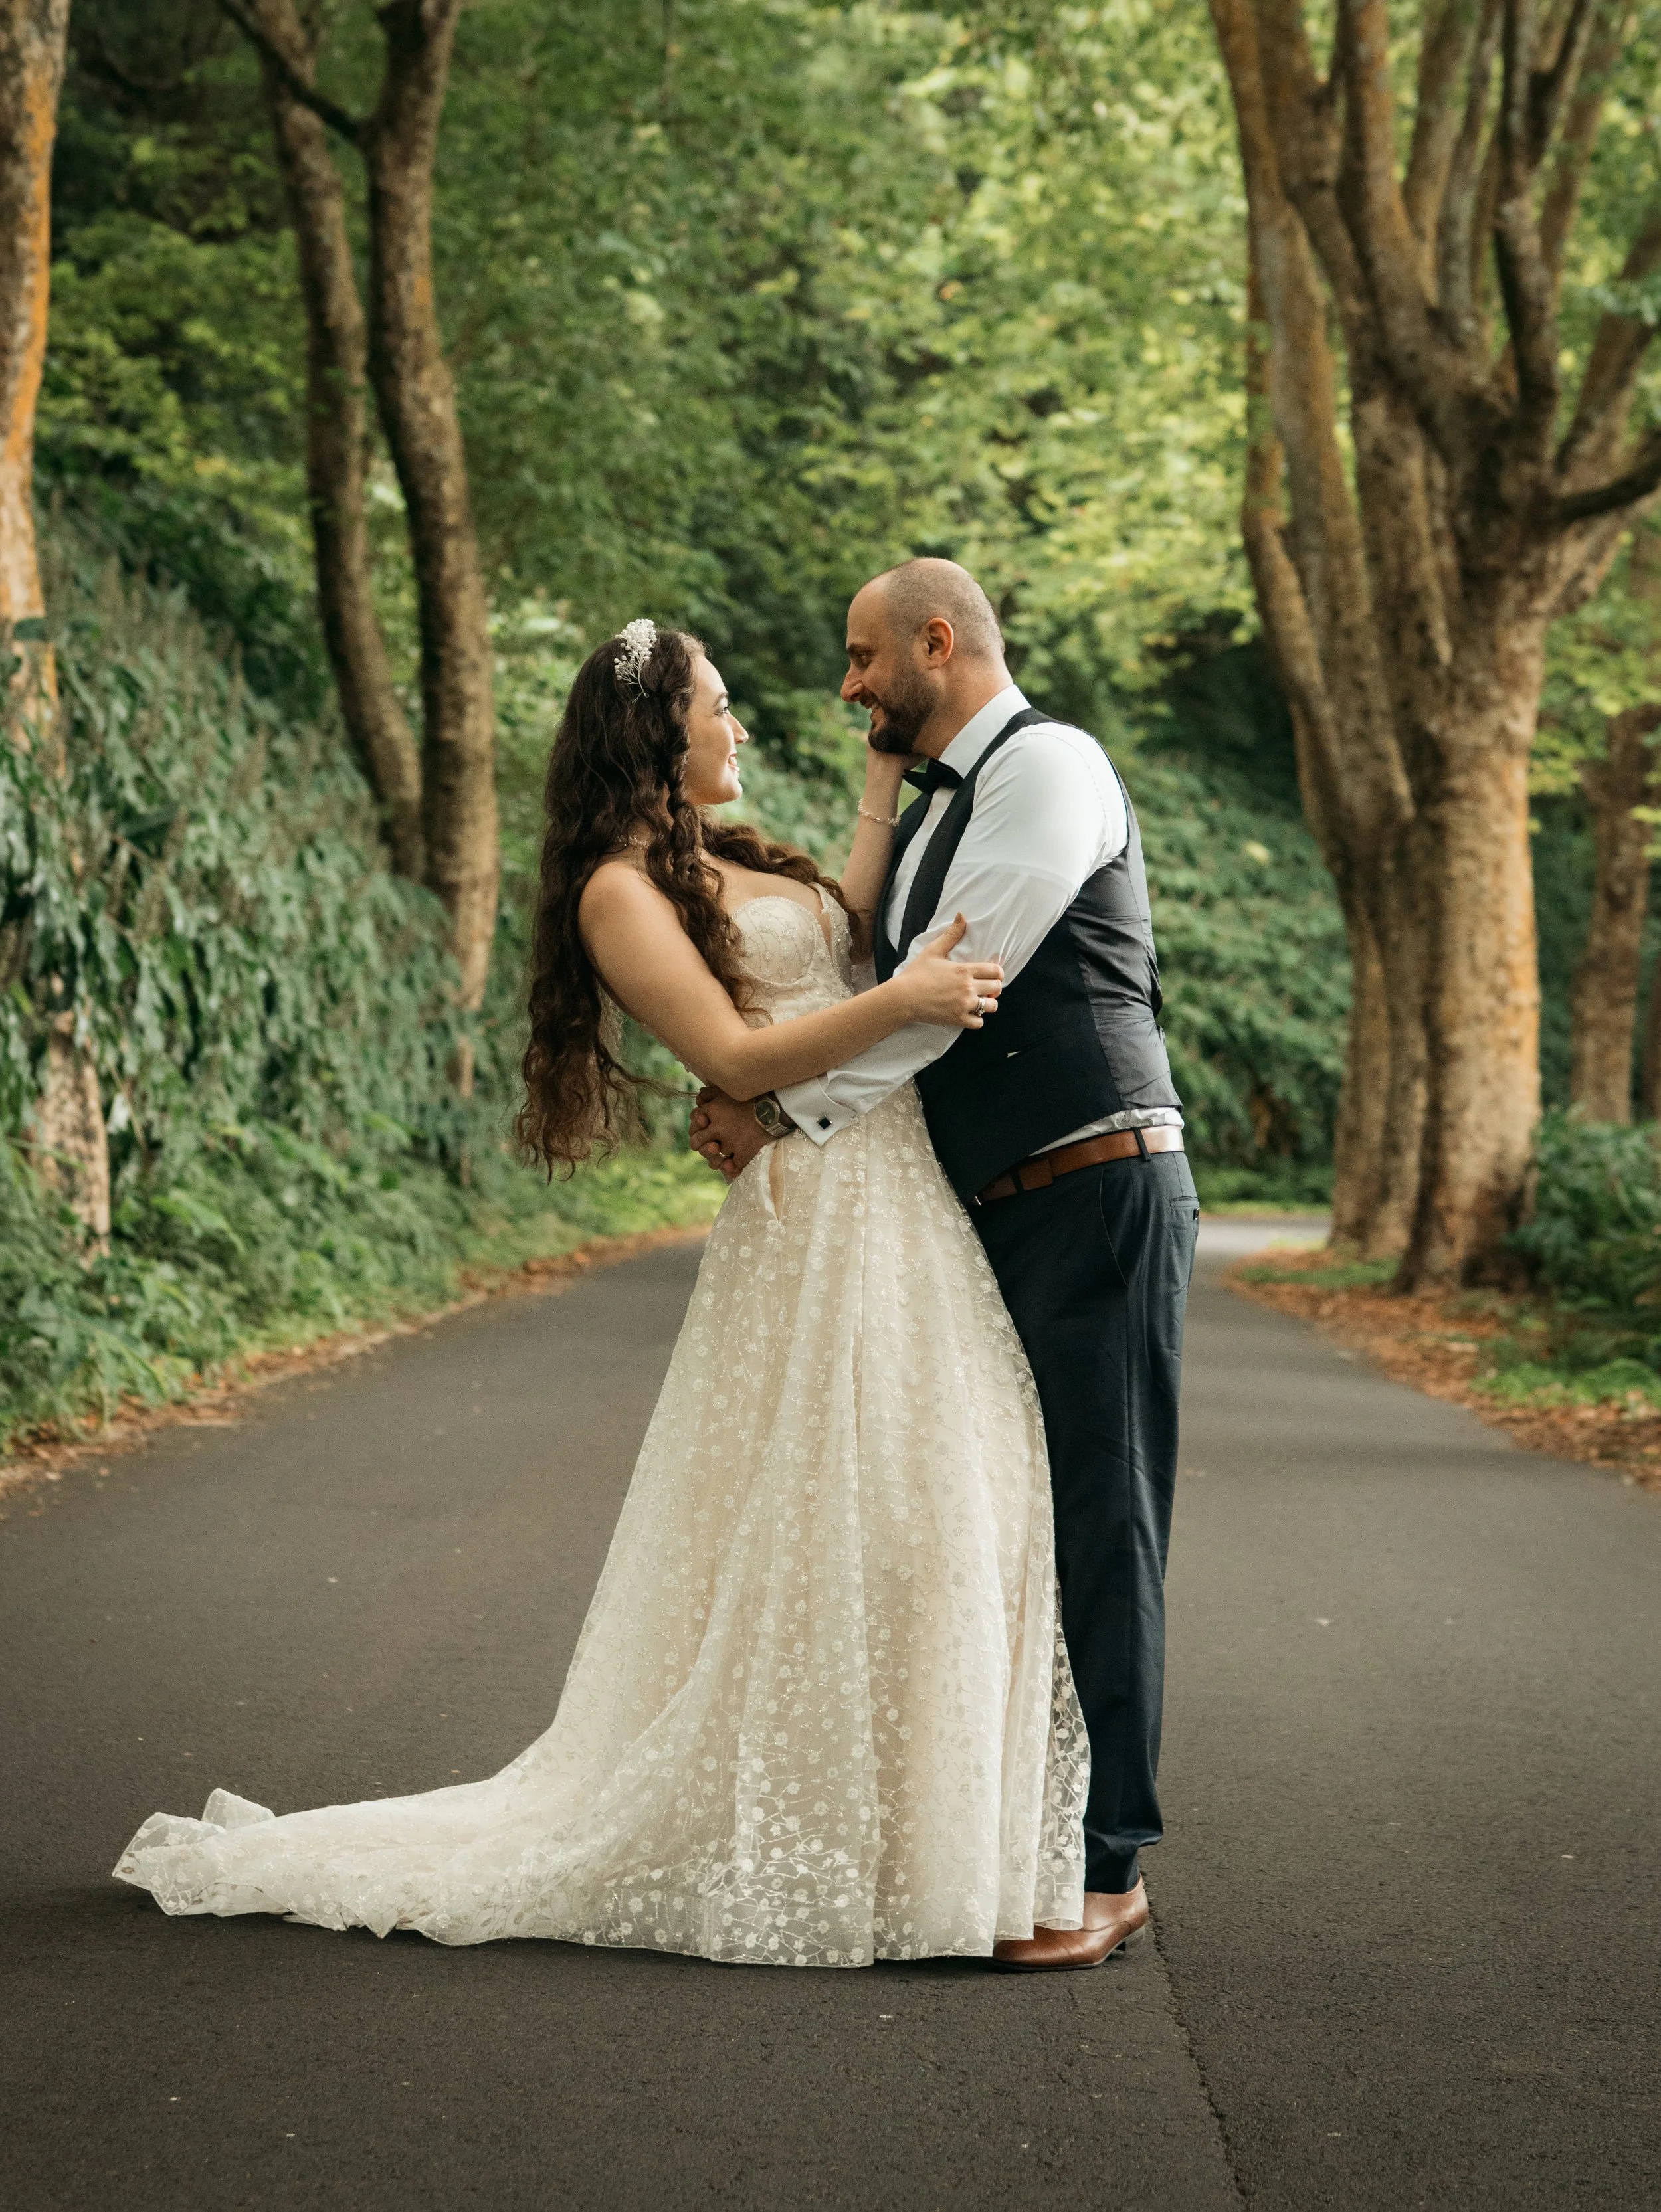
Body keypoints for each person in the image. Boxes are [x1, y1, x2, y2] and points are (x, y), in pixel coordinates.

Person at [114, 617, 1090, 1969]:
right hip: (813, 1223)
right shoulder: (615, 893)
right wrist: (908, 1001)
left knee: (942, 1502)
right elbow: (733, 1054)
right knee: (837, 1505)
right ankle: (816, 1834)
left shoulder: (728, 856)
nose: (738, 725)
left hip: (900, 1205)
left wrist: (880, 791)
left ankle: (905, 1838)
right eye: (719, 706)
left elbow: (850, 938)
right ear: (656, 730)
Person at [692, 561, 1199, 1970]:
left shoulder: (1049, 769)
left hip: (1096, 1188)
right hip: (997, 1204)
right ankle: (1001, 1836)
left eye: (862, 659)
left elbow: (946, 1003)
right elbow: (873, 976)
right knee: (1003, 1527)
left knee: (1102, 1522)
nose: (848, 686)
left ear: (936, 641)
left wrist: (775, 1109)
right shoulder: (931, 812)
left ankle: (1108, 1865)